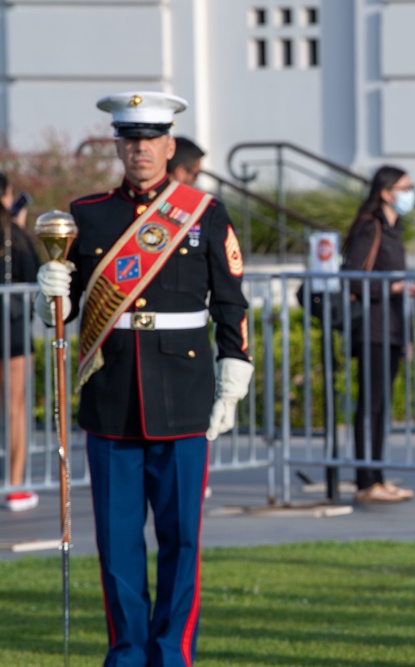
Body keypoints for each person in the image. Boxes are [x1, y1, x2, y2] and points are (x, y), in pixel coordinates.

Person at [35, 91, 253, 666]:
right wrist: (51, 294)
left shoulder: (204, 213)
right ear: (119, 146)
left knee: (181, 540)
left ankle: (173, 652)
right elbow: (71, 308)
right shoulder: (89, 214)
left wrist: (235, 372)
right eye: (130, 140)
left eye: (151, 140)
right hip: (112, 395)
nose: (141, 150)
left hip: (183, 394)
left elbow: (232, 303)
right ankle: (128, 652)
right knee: (117, 543)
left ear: (169, 145)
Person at [343, 165, 415, 503]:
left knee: (380, 407)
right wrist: (396, 286)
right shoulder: (370, 227)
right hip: (372, 329)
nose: (409, 193)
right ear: (386, 192)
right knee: (370, 406)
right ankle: (366, 481)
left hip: (391, 329)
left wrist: (408, 339)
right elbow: (354, 277)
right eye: (404, 187)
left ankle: (376, 477)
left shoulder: (392, 227)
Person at [0, 172, 41, 511]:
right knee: (15, 409)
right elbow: (36, 274)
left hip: (10, 331)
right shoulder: (16, 236)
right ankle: (15, 485)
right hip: (12, 331)